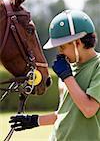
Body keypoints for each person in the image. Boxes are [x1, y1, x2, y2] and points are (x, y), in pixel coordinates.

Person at [9, 10, 100, 141]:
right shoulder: (68, 70)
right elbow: (64, 114)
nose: (59, 52)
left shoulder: (96, 67)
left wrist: (67, 77)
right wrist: (34, 120)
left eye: (62, 47)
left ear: (78, 43)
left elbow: (89, 109)